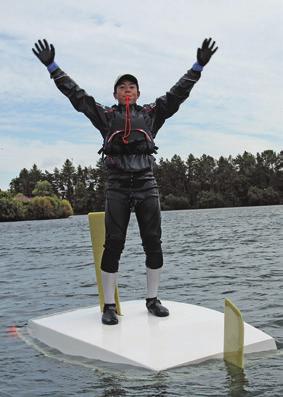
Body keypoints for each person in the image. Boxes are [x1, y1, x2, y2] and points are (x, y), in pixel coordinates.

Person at [32, 37, 218, 325]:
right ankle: (108, 305)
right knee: (114, 244)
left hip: (146, 183)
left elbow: (179, 93)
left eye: (131, 86)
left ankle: (152, 299)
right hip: (117, 186)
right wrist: (53, 67)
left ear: (138, 92)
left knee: (153, 243)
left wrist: (198, 66)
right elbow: (77, 96)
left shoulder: (152, 114)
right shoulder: (106, 117)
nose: (127, 89)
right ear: (116, 94)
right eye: (122, 87)